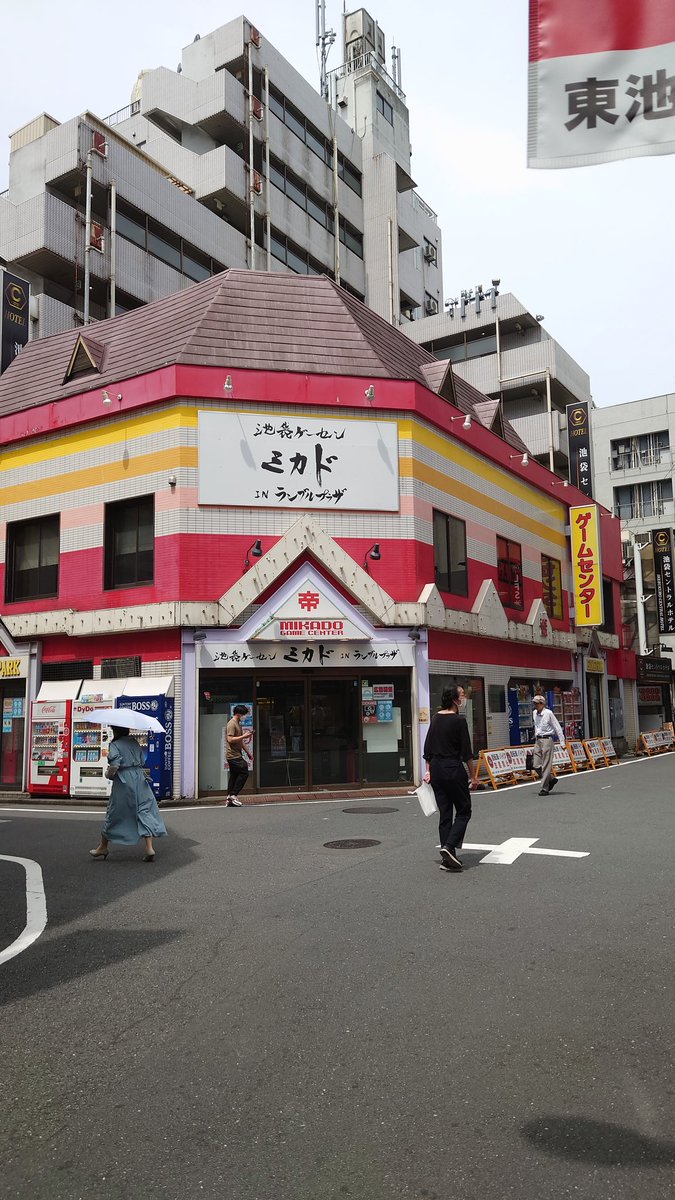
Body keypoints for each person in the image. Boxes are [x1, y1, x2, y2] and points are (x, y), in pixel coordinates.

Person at [89, 727, 167, 862]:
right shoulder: (134, 742)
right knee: (144, 810)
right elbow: (142, 760)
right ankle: (149, 847)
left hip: (124, 781)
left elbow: (114, 765)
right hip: (140, 778)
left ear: (115, 731)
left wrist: (108, 774)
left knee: (114, 812)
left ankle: (103, 846)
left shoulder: (114, 745)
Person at [423, 685, 479, 872]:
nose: (464, 697)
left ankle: (449, 858)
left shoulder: (436, 718)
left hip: (437, 770)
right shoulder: (459, 721)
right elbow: (467, 753)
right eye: (462, 695)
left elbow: (427, 750)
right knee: (464, 810)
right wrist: (473, 777)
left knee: (445, 814)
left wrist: (428, 770)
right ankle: (449, 847)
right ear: (455, 699)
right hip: (453, 768)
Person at [532, 694, 565, 796]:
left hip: (547, 739)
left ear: (542, 704)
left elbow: (557, 727)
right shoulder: (534, 713)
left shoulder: (549, 713)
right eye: (534, 703)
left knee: (546, 765)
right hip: (538, 740)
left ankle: (544, 788)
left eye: (537, 703)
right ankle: (550, 779)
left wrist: (562, 742)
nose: (535, 705)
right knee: (536, 764)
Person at [224, 705, 254, 807]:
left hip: (236, 754)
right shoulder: (232, 724)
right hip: (232, 755)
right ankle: (233, 795)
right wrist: (244, 736)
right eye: (244, 714)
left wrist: (248, 753)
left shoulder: (238, 723)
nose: (245, 716)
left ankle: (229, 798)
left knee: (234, 775)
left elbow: (240, 741)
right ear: (238, 714)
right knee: (244, 770)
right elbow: (230, 739)